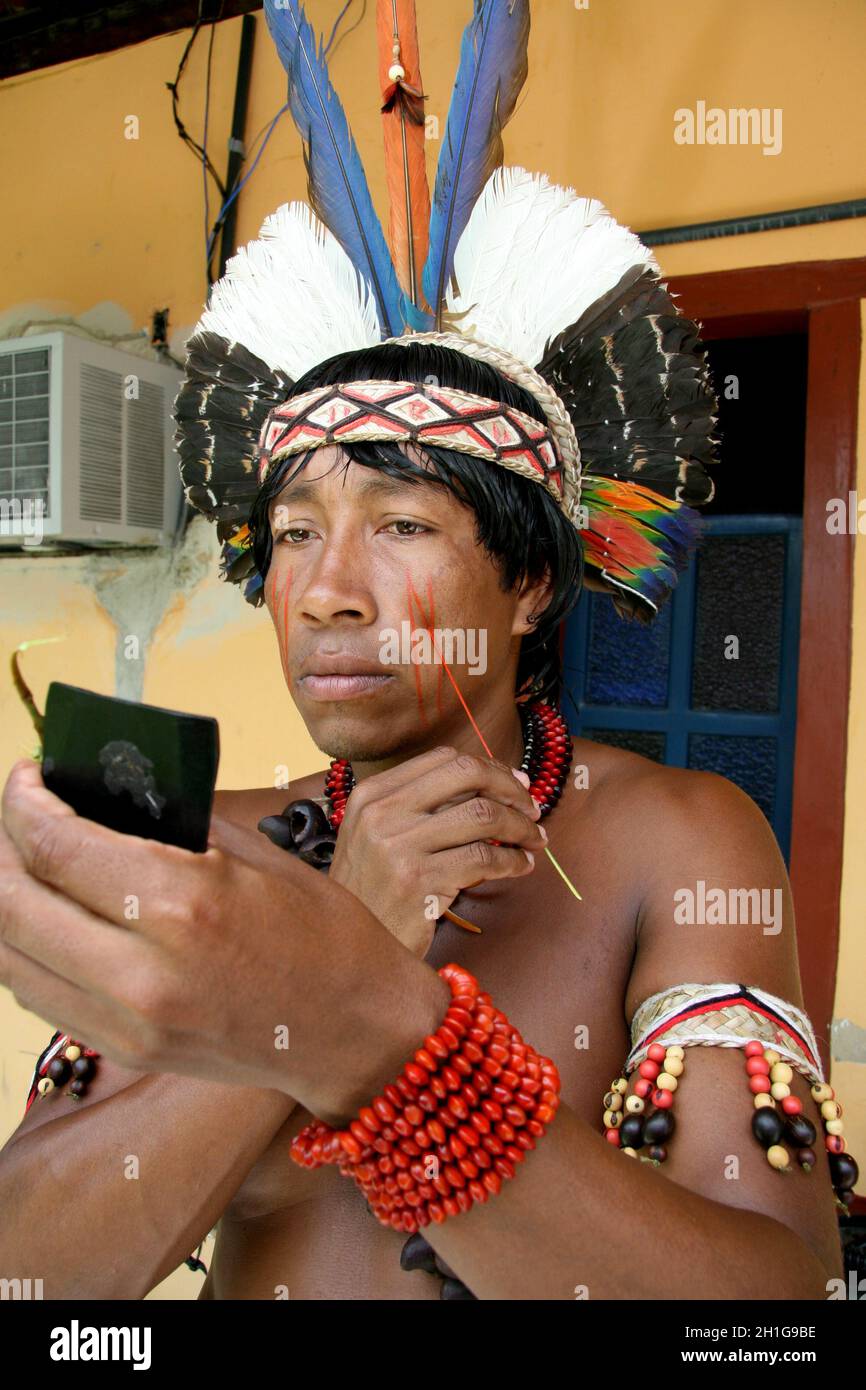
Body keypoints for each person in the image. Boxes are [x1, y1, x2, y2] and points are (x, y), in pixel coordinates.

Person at [0, 0, 853, 1300]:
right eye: (291, 533)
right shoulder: (192, 839)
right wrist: (339, 924)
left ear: (524, 584)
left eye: (398, 522)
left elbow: (765, 1315)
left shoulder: (676, 845)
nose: (326, 590)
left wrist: (375, 1032)